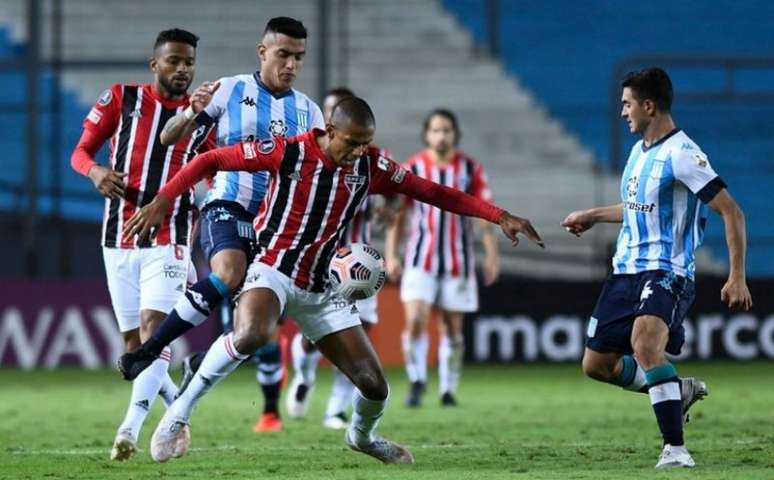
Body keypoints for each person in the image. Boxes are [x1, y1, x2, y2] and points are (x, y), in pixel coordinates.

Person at [120, 96, 544, 464]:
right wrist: (163, 199)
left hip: (323, 287)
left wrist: (499, 215)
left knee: (375, 386)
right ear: (329, 131)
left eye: (366, 143)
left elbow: (433, 191)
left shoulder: (371, 165)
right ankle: (178, 415)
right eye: (352, 142)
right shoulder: (288, 152)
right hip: (272, 268)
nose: (359, 151)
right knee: (252, 333)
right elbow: (211, 159)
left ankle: (362, 438)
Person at [561, 67, 753, 469]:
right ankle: (674, 388)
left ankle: (676, 450)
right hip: (626, 270)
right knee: (596, 366)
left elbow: (731, 212)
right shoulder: (639, 151)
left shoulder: (683, 155)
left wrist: (737, 275)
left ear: (649, 105)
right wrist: (594, 215)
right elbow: (637, 209)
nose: (622, 112)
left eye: (627, 104)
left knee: (646, 345)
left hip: (667, 269)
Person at [142, 16, 324, 433]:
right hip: (227, 206)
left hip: (275, 228)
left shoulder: (309, 111)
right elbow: (170, 138)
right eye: (283, 54)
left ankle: (234, 389)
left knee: (253, 332)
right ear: (263, 52)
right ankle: (156, 347)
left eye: (299, 57)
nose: (291, 64)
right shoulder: (229, 89)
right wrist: (189, 111)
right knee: (228, 276)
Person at [69, 28, 213, 460]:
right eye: (173, 61)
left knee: (154, 333)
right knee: (134, 348)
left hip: (170, 236)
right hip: (117, 237)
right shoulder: (120, 99)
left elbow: (217, 169)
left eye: (188, 62)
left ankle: (128, 431)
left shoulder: (202, 118)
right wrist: (94, 173)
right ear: (155, 64)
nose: (182, 69)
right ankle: (177, 404)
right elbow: (80, 153)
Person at [284, 87, 397, 430]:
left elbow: (395, 196)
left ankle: (335, 409)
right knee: (310, 338)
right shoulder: (305, 152)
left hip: (359, 262)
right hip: (320, 260)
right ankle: (303, 375)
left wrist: (386, 213)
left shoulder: (371, 156)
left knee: (358, 339)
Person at [385, 109, 499, 408]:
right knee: (416, 320)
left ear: (455, 134)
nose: (441, 135)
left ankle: (448, 388)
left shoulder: (470, 169)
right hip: (419, 260)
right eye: (436, 130)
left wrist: (491, 254)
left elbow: (484, 213)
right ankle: (417, 380)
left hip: (457, 261)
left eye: (446, 130)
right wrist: (391, 255)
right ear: (426, 134)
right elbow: (398, 214)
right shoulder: (412, 167)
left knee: (451, 328)